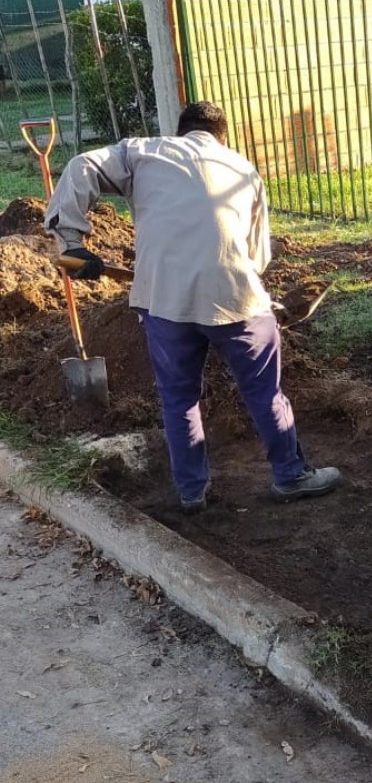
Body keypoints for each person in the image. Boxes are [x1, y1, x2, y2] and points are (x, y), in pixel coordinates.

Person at [44, 100, 341, 513]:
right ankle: (291, 476)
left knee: (178, 399)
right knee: (264, 392)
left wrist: (71, 242)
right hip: (236, 299)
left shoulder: (143, 152)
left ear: (179, 131)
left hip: (163, 300)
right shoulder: (243, 169)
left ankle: (191, 492)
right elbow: (257, 257)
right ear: (223, 137)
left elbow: (82, 165)